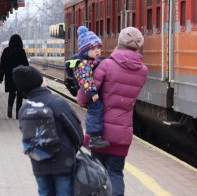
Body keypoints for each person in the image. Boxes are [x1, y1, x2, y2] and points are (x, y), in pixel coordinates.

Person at [77, 26, 148, 196]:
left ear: (120, 42)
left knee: (98, 175)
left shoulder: (107, 65)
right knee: (116, 173)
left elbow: (82, 99)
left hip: (101, 132)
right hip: (123, 133)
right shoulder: (143, 71)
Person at [13, 66, 83, 196]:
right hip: (63, 163)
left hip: (39, 163)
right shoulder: (57, 103)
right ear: (40, 82)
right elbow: (77, 133)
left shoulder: (24, 109)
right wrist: (75, 148)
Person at [67, 26, 109, 148]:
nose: (97, 51)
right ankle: (94, 137)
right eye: (93, 49)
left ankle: (89, 138)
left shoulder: (92, 61)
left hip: (92, 92)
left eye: (98, 48)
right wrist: (92, 93)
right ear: (85, 51)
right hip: (91, 94)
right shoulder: (83, 64)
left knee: (97, 111)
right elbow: (85, 79)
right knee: (95, 111)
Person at [0, 34, 29, 119]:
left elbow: (2, 65)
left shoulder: (6, 50)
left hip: (10, 76)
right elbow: (26, 65)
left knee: (12, 92)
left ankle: (9, 108)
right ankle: (18, 113)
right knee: (20, 94)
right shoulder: (21, 51)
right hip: (20, 76)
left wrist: (0, 77)